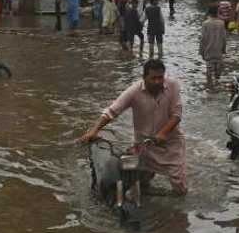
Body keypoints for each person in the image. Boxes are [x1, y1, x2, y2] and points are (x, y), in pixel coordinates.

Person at [80, 58, 187, 195]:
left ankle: (179, 211)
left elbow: (176, 114)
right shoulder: (133, 92)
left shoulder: (173, 86)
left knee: (178, 183)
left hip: (171, 143)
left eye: (160, 77)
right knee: (142, 180)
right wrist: (94, 131)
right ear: (144, 77)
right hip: (145, 144)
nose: (157, 82)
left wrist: (162, 133)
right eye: (153, 78)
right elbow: (111, 111)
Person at [199, 4, 227, 87]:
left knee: (209, 70)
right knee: (218, 72)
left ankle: (209, 86)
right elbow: (224, 38)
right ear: (217, 13)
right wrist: (224, 49)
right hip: (218, 50)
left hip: (208, 50)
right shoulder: (221, 23)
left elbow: (203, 39)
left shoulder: (205, 23)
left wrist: (201, 51)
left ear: (209, 13)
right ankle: (217, 84)